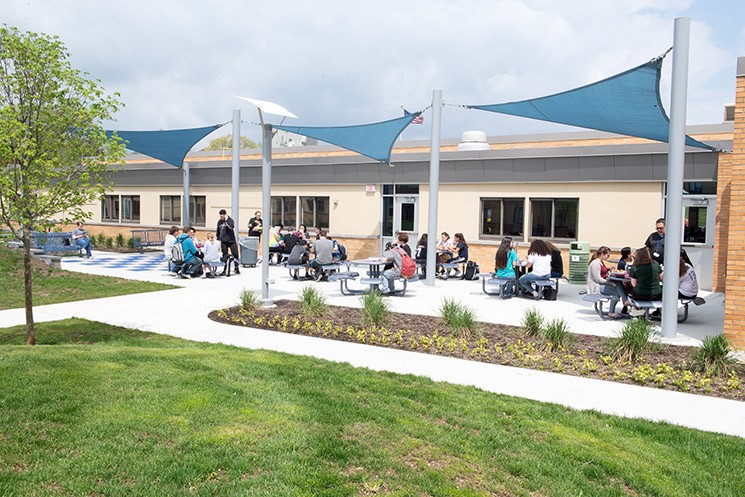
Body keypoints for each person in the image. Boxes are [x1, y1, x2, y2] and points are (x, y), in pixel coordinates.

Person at [587, 246, 627, 318]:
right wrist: (611, 283)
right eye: (607, 255)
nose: (608, 257)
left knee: (618, 283)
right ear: (602, 254)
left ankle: (624, 302)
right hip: (596, 287)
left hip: (601, 284)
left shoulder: (600, 262)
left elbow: (602, 271)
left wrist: (608, 269)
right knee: (617, 291)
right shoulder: (595, 263)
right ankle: (619, 305)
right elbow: (598, 279)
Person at [216, 209, 240, 275]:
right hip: (224, 241)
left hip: (231, 241)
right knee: (225, 255)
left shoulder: (230, 220)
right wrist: (218, 239)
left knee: (235, 254)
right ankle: (225, 269)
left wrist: (226, 221)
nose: (221, 217)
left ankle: (236, 268)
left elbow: (231, 227)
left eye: (222, 216)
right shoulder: (219, 222)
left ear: (225, 215)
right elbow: (218, 231)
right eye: (220, 216)